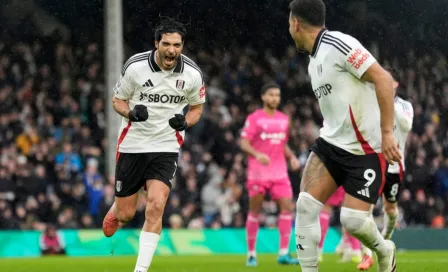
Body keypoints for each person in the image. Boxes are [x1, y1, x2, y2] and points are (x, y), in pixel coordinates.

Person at [287, 1, 401, 271]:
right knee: (305, 205)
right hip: (331, 145)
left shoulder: (338, 44)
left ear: (296, 23)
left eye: (288, 23)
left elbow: (383, 79)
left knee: (353, 221)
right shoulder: (313, 62)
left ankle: (385, 250)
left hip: (366, 150)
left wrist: (387, 133)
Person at [102, 17, 206, 272]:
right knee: (126, 214)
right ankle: (118, 207)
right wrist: (131, 113)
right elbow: (117, 101)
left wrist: (185, 122)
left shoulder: (192, 73)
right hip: (133, 144)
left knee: (157, 204)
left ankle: (141, 269)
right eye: (167, 44)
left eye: (178, 45)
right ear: (156, 43)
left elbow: (197, 108)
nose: (172, 50)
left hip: (166, 146)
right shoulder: (136, 67)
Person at [357, 71, 414, 270]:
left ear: (396, 83)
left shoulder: (405, 105)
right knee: (363, 210)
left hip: (395, 166)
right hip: (371, 162)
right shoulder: (370, 103)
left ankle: (385, 239)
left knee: (390, 209)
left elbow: (406, 125)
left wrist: (388, 103)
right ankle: (366, 255)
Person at [240, 83, 301, 266]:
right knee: (255, 211)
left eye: (277, 95)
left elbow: (281, 144)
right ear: (263, 97)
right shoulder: (254, 118)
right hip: (258, 173)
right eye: (271, 95)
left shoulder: (284, 119)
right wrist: (257, 154)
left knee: (287, 208)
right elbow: (244, 143)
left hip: (280, 172)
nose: (275, 98)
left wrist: (291, 157)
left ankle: (283, 253)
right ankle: (251, 254)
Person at [318, 187, 362, 263]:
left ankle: (318, 252)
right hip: (350, 179)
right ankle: (356, 251)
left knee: (326, 207)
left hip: (333, 178)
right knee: (349, 211)